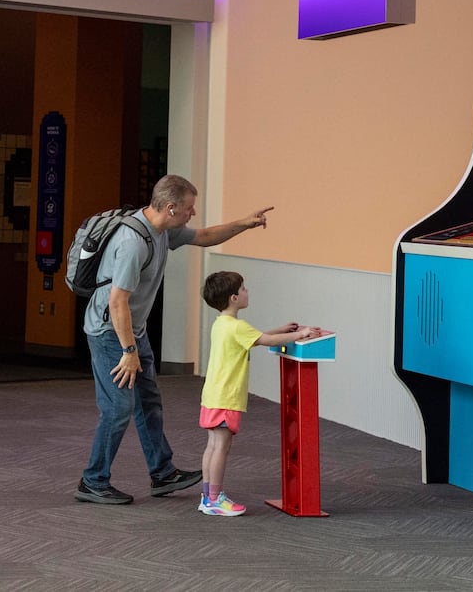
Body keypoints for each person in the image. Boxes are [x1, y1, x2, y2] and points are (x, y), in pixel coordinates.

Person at [75, 174, 274, 506]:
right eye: (189, 209)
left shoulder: (162, 231)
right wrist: (128, 351)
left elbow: (205, 236)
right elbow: (117, 301)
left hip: (132, 330)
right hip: (110, 333)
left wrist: (246, 223)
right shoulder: (133, 242)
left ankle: (162, 473)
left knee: (148, 402)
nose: (192, 215)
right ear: (170, 208)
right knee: (118, 408)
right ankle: (93, 481)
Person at [196, 271, 319, 516]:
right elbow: (266, 340)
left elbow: (257, 337)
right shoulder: (237, 327)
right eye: (243, 289)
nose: (247, 292)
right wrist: (299, 334)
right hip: (227, 397)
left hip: (212, 396)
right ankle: (215, 500)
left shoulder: (222, 324)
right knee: (222, 447)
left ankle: (207, 496)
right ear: (233, 298)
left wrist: (281, 329)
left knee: (212, 446)